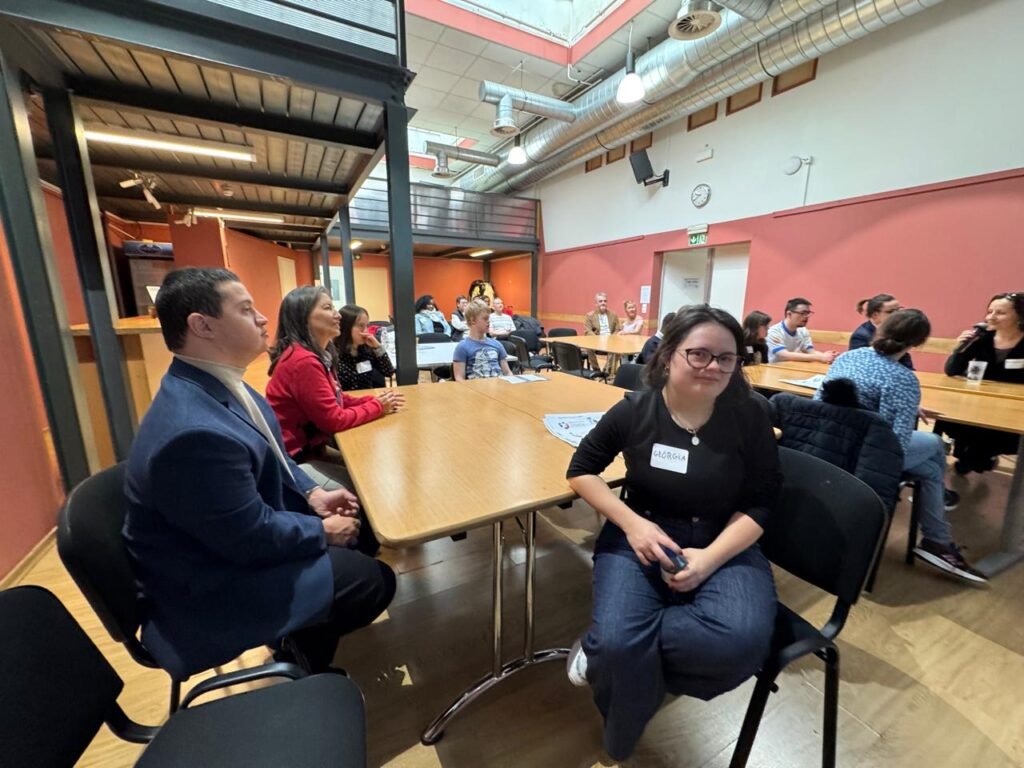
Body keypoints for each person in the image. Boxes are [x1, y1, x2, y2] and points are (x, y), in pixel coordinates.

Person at [124, 268, 395, 679]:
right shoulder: (192, 432)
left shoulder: (216, 382)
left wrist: (311, 495)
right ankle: (301, 657)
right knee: (373, 580)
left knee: (359, 540)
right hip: (208, 584)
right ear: (202, 325)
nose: (264, 318)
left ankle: (301, 637)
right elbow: (246, 537)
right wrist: (320, 531)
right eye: (246, 309)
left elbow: (276, 455)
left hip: (224, 546)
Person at [565, 305, 781, 761]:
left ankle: (603, 649)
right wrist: (634, 525)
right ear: (667, 355)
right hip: (640, 531)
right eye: (699, 354)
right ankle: (618, 685)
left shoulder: (751, 414)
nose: (713, 367)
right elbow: (582, 471)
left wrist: (710, 559)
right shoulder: (634, 410)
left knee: (737, 639)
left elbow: (762, 502)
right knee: (624, 643)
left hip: (725, 535)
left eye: (727, 358)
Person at [816, 309, 984, 583]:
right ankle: (937, 540)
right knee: (933, 445)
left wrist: (908, 406)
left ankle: (937, 536)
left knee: (930, 470)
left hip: (827, 443)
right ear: (917, 343)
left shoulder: (847, 358)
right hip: (867, 454)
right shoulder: (903, 378)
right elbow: (899, 444)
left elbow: (831, 400)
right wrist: (904, 405)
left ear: (880, 329)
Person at [265, 287, 404, 555]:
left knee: (364, 471)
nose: (336, 314)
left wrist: (373, 402)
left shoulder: (318, 354)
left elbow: (337, 400)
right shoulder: (304, 361)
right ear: (304, 317)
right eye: (327, 308)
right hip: (294, 459)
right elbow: (333, 420)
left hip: (310, 448)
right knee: (357, 487)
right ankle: (358, 554)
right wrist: (377, 406)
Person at [938, 292, 1024, 474]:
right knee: (957, 431)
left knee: (976, 455)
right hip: (978, 402)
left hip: (1013, 408)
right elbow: (951, 370)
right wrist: (960, 348)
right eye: (990, 311)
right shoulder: (981, 338)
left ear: (1019, 316)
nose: (991, 317)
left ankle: (979, 459)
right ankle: (976, 459)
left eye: (1000, 312)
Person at [336, 303, 396, 391]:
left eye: (366, 326)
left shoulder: (367, 349)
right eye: (361, 326)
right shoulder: (334, 354)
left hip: (368, 399)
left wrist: (378, 347)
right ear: (346, 327)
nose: (365, 331)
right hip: (347, 402)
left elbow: (389, 372)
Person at [765, 297, 837, 364]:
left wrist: (829, 357)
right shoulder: (774, 332)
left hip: (793, 368)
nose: (806, 317)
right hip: (775, 369)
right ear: (789, 314)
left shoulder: (803, 330)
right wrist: (820, 357)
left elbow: (810, 351)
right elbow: (785, 355)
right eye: (803, 313)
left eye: (808, 313)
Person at [849, 294, 913, 369]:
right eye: (891, 312)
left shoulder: (896, 329)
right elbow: (859, 365)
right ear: (875, 315)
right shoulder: (861, 336)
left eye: (898, 310)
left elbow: (904, 357)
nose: (897, 314)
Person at [453, 300, 513, 380]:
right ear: (472, 320)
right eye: (485, 318)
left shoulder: (497, 344)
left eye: (489, 318)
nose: (489, 321)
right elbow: (459, 378)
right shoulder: (462, 347)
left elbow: (507, 372)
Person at [584, 291, 621, 370]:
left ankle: (606, 371)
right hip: (596, 341)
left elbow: (618, 328)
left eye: (605, 301)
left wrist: (612, 337)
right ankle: (596, 370)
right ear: (596, 303)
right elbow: (587, 331)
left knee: (617, 348)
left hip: (610, 340)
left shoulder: (613, 315)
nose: (603, 303)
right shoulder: (589, 316)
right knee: (588, 348)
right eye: (600, 301)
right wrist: (598, 339)